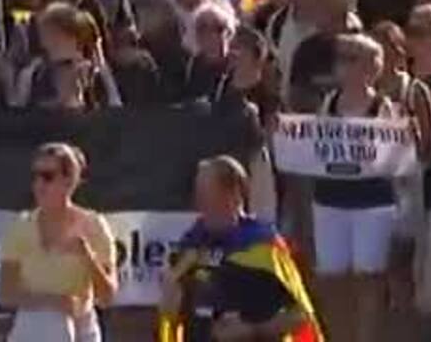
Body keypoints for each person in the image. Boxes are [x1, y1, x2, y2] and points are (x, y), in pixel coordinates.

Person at [306, 33, 404, 342]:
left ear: (370, 66)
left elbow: (393, 156)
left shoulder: (382, 107)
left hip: (371, 202)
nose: (342, 66)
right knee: (332, 280)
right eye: (340, 59)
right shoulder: (328, 103)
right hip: (330, 200)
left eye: (351, 59)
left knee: (368, 279)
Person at [160, 155, 318, 341]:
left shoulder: (264, 247)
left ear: (234, 194)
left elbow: (301, 316)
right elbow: (172, 312)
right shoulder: (192, 243)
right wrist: (170, 305)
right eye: (198, 193)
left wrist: (251, 329)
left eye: (207, 193)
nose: (200, 202)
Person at [0, 143, 118, 341]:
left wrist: (87, 256)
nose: (39, 184)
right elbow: (6, 293)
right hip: (34, 323)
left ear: (69, 181)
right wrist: (54, 302)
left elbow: (107, 297)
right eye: (35, 176)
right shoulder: (22, 226)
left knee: (61, 325)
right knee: (52, 322)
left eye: (48, 176)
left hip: (81, 328)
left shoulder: (94, 226)